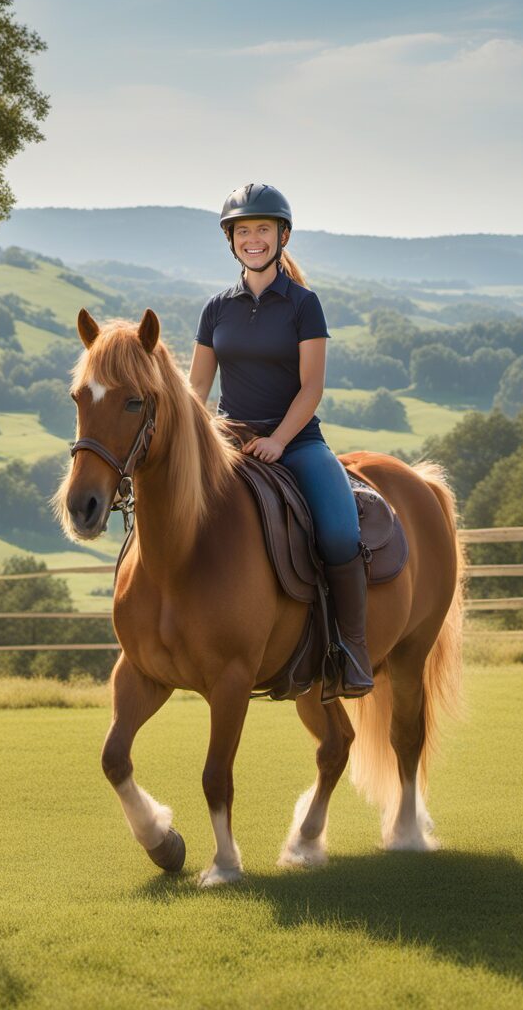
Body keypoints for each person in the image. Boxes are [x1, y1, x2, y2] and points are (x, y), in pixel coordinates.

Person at [189, 183, 373, 699]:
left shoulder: (304, 305)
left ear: (282, 236)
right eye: (243, 231)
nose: (253, 239)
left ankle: (350, 649)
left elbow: (311, 387)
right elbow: (197, 390)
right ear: (231, 240)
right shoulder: (215, 309)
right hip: (229, 445)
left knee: (338, 533)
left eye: (262, 230)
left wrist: (277, 440)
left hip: (296, 443)